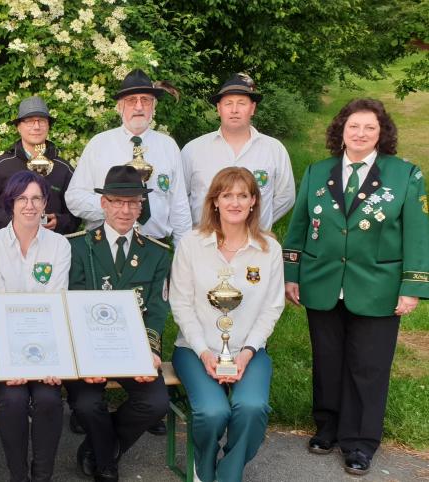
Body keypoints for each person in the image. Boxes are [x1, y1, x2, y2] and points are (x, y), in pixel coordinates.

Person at [283, 98, 429, 476]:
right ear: (341, 131)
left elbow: (417, 234)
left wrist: (411, 285)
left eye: (370, 128)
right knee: (327, 360)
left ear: (382, 134)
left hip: (378, 286)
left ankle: (360, 442)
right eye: (354, 126)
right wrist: (292, 273)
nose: (360, 134)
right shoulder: (318, 172)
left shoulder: (405, 175)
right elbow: (298, 226)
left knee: (369, 366)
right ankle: (327, 427)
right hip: (323, 283)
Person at [169, 167, 284, 482]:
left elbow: (273, 306)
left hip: (249, 349)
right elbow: (180, 302)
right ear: (214, 202)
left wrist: (248, 351)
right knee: (212, 412)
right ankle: (203, 467)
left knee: (252, 407)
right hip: (195, 349)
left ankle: (229, 474)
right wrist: (205, 352)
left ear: (253, 202)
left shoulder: (269, 249)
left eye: (242, 195)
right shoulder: (192, 243)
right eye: (227, 195)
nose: (235, 202)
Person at [66, 165, 171, 482]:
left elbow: (155, 309)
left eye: (133, 202)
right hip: (88, 350)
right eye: (117, 201)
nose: (125, 210)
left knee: (155, 403)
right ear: (104, 204)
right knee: (85, 404)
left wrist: (150, 351)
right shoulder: (77, 247)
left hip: (133, 348)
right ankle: (107, 462)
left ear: (141, 205)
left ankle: (98, 448)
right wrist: (85, 357)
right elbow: (71, 303)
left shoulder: (157, 253)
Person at [0, 171, 71, 482]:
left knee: (48, 399)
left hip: (47, 345)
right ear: (11, 202)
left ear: (45, 202)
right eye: (22, 198)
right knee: (12, 401)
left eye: (36, 198)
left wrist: (48, 356)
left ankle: (42, 475)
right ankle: (18, 475)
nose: (29, 205)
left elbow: (55, 300)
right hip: (6, 347)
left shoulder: (60, 246)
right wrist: (12, 358)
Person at [66, 69, 191, 244]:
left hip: (154, 248)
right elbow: (74, 198)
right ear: (119, 106)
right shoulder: (98, 144)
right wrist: (112, 207)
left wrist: (182, 253)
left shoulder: (168, 146)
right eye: (131, 100)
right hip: (104, 245)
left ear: (153, 106)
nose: (139, 107)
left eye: (145, 100)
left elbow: (179, 206)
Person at [181, 73, 295, 230]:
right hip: (204, 242)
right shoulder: (193, 150)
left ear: (252, 108)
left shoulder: (274, 149)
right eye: (228, 104)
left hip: (255, 244)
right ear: (219, 109)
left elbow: (286, 197)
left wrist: (256, 224)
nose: (234, 110)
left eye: (241, 103)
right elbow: (179, 198)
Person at [0, 96, 79, 234]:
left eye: (41, 121)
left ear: (48, 126)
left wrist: (59, 222)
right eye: (29, 121)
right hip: (8, 244)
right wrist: (12, 222)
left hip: (51, 247)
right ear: (18, 127)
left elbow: (76, 213)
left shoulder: (64, 169)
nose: (36, 126)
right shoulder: (0, 166)